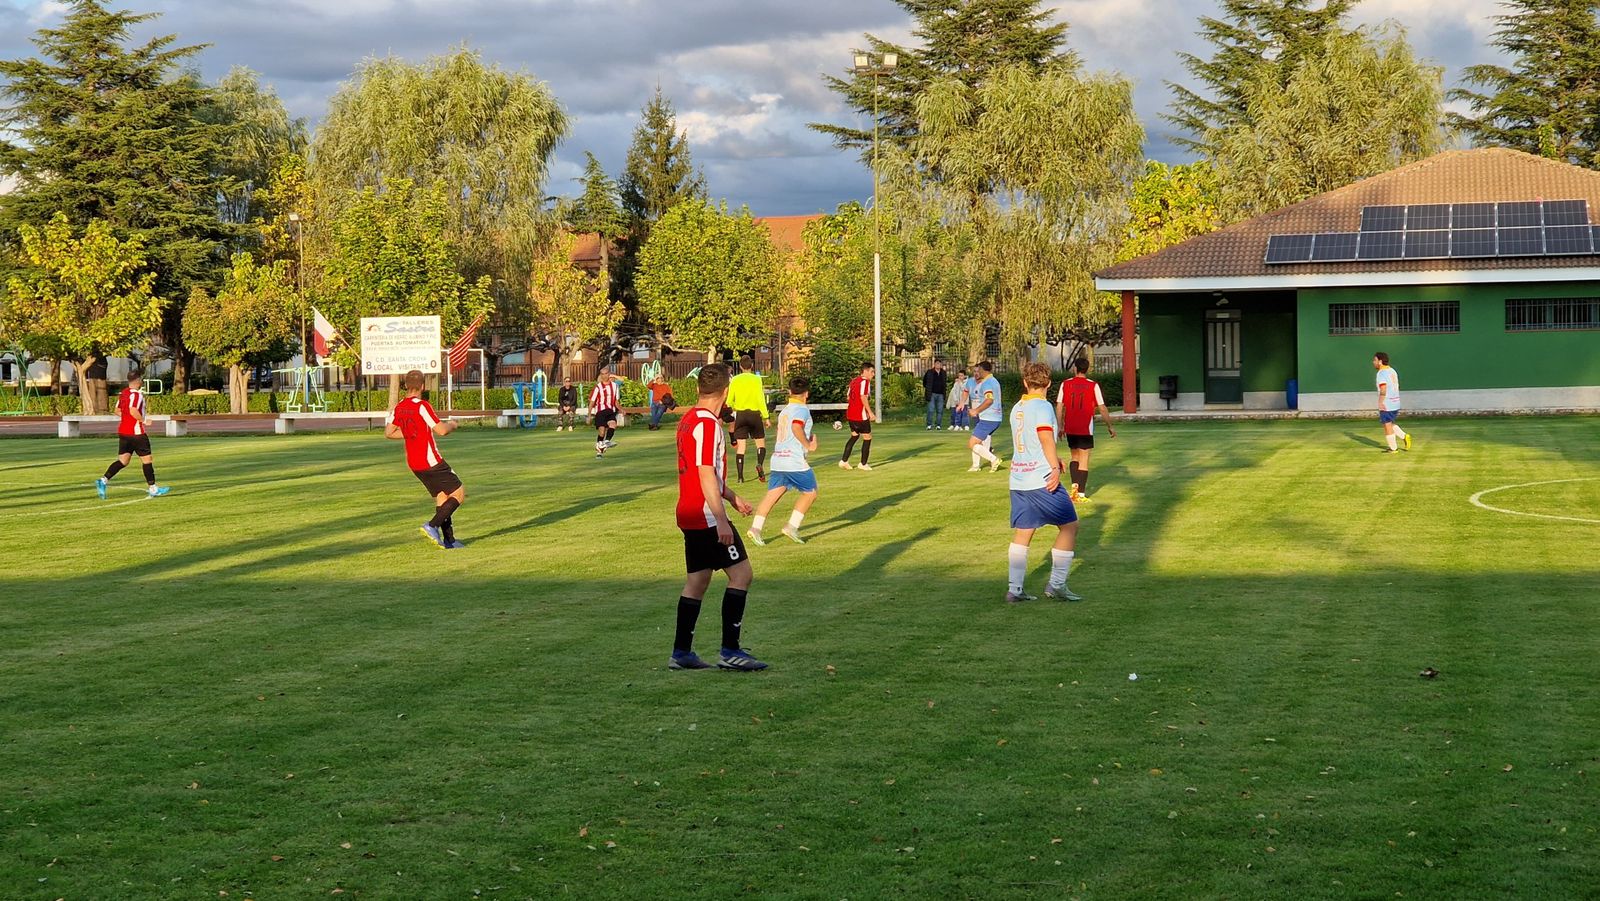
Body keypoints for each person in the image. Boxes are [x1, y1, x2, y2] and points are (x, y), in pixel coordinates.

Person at [671, 363, 767, 671]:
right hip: (706, 514)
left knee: (697, 582)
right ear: (725, 392)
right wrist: (722, 518)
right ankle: (730, 651)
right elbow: (705, 473)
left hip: (687, 510)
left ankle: (681, 653)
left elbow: (706, 473)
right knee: (742, 575)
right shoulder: (709, 426)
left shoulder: (688, 419)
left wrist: (733, 496)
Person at [1005, 362, 1081, 603]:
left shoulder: (1018, 406)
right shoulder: (1043, 406)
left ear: (1025, 383)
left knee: (1024, 532)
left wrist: (1053, 457)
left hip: (1019, 479)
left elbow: (1030, 441)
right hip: (1041, 479)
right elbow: (1045, 437)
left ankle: (1014, 589)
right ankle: (1056, 585)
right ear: (1048, 383)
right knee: (1070, 526)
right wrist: (1053, 468)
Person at [386, 369, 466, 549]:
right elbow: (441, 430)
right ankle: (431, 525)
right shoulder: (422, 406)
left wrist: (410, 434)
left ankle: (449, 540)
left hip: (414, 463)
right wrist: (452, 425)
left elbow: (389, 432)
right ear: (423, 386)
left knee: (442, 496)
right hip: (430, 460)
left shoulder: (399, 407)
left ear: (406, 385)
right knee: (458, 493)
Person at [748, 375, 818, 546]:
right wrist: (808, 445)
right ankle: (791, 527)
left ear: (789, 392)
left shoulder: (785, 410)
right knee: (810, 492)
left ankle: (755, 528)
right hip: (793, 461)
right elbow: (796, 427)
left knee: (773, 494)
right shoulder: (802, 409)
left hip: (778, 459)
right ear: (806, 394)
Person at [96, 367, 170, 499]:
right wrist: (143, 420)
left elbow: (117, 411)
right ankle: (153, 488)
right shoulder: (136, 395)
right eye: (141, 379)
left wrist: (128, 419)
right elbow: (132, 410)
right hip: (136, 433)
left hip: (124, 432)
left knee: (123, 461)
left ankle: (103, 480)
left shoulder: (124, 393)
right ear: (138, 380)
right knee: (147, 460)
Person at [1056, 358, 1117, 502]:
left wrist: (1060, 426)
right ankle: (1081, 494)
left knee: (1074, 457)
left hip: (1070, 426)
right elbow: (1102, 407)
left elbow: (1059, 406)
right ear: (1087, 369)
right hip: (1085, 427)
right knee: (1084, 459)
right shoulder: (1093, 385)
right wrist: (1110, 426)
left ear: (1075, 368)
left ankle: (1074, 491)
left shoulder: (1065, 384)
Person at [728, 356, 771, 483]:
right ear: (751, 366)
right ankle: (759, 464)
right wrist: (766, 417)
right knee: (760, 442)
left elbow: (729, 400)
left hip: (741, 414)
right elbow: (760, 399)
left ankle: (740, 477)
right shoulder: (756, 379)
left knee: (741, 446)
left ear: (740, 366)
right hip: (754, 414)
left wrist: (735, 408)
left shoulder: (735, 380)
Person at [966, 361, 1004, 472]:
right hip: (996, 417)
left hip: (988, 418)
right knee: (978, 441)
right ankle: (975, 466)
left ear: (983, 370)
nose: (978, 372)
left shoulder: (987, 383)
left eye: (979, 370)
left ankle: (994, 459)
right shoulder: (995, 381)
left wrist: (976, 411)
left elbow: (989, 400)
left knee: (972, 443)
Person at [839, 362, 877, 471]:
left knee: (855, 436)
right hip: (860, 415)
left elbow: (848, 397)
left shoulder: (854, 381)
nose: (873, 374)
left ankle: (844, 461)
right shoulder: (865, 382)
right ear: (865, 371)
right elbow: (863, 397)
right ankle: (863, 464)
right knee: (867, 437)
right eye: (871, 371)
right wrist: (870, 412)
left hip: (850, 414)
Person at [1374, 352, 1412, 454]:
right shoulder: (1392, 370)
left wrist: (1381, 401)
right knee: (1390, 423)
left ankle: (1393, 448)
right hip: (1395, 401)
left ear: (1380, 361)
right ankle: (1404, 436)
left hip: (1387, 402)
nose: (1374, 362)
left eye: (1375, 360)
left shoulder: (1381, 373)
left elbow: (1383, 388)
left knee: (1386, 425)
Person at [590, 366, 623, 458]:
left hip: (610, 411)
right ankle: (599, 451)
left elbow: (616, 401)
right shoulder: (598, 387)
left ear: (609, 374)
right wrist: (589, 415)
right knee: (602, 433)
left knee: (613, 424)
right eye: (602, 374)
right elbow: (592, 401)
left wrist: (621, 409)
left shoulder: (615, 386)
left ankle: (607, 441)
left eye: (606, 373)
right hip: (600, 412)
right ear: (601, 375)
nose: (604, 376)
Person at [922, 360, 948, 430]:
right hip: (932, 394)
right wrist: (928, 388)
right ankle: (929, 425)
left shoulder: (943, 373)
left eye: (939, 364)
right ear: (934, 364)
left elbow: (945, 383)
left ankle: (938, 425)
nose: (938, 365)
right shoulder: (929, 372)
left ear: (941, 365)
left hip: (941, 394)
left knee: (940, 410)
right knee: (930, 409)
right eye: (936, 364)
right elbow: (924, 382)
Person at [948, 367, 970, 431]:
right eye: (959, 376)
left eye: (961, 376)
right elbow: (954, 391)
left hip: (965, 401)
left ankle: (966, 425)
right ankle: (957, 425)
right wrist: (955, 400)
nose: (960, 377)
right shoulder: (956, 383)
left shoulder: (967, 382)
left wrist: (960, 382)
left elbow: (964, 389)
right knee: (958, 414)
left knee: (965, 414)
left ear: (964, 376)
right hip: (958, 401)